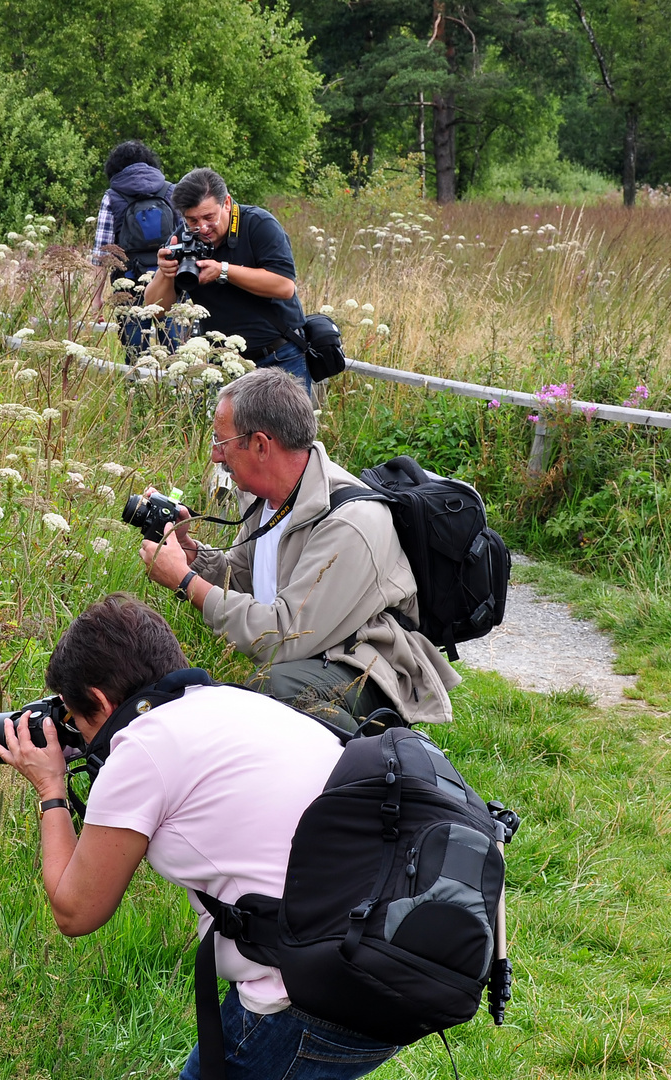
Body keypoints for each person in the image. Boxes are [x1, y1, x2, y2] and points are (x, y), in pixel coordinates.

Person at [0, 593, 398, 1080]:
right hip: (391, 959)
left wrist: (51, 789)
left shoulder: (142, 745)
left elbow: (75, 911)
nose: (79, 735)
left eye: (76, 719)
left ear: (99, 700)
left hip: (314, 999)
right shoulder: (236, 701)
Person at [138, 367, 460, 727]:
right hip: (313, 657)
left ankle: (370, 763)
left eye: (220, 441)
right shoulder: (266, 499)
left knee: (273, 688)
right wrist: (192, 555)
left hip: (365, 669)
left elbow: (280, 638)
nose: (215, 456)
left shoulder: (350, 523)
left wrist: (184, 581)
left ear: (260, 444)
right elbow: (247, 579)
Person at [142, 168, 312, 390]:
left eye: (209, 217)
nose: (202, 227)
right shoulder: (183, 240)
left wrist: (223, 270)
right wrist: (165, 272)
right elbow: (154, 310)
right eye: (192, 220)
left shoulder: (258, 225)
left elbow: (284, 286)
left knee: (286, 426)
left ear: (227, 204)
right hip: (224, 363)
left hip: (279, 357)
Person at [89, 141, 180, 352]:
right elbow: (185, 241)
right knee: (177, 352)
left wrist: (96, 300)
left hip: (128, 284)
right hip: (169, 280)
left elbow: (102, 255)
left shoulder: (112, 197)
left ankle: (136, 385)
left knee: (135, 350)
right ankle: (177, 386)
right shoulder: (171, 191)